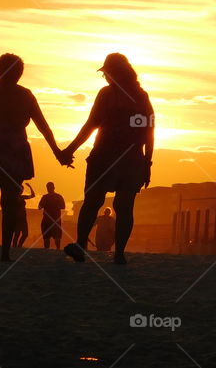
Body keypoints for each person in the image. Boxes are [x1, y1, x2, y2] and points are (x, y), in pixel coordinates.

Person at [0, 53, 69, 262]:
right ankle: (4, 253)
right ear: (19, 73)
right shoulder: (25, 95)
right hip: (13, 154)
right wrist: (57, 152)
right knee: (9, 205)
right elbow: (43, 127)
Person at [61, 53, 153, 265]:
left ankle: (81, 245)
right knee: (125, 207)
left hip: (104, 156)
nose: (105, 78)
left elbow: (91, 124)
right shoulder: (142, 97)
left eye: (106, 74)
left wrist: (69, 150)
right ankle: (119, 253)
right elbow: (149, 132)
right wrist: (147, 163)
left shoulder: (107, 94)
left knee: (92, 202)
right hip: (132, 159)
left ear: (112, 73)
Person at [38, 182, 66, 249]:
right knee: (47, 238)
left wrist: (55, 205)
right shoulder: (45, 197)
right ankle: (49, 250)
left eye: (50, 187)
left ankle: (57, 249)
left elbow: (63, 206)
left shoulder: (58, 197)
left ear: (53, 188)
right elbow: (39, 207)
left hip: (55, 220)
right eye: (48, 187)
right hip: (47, 220)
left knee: (57, 237)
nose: (49, 189)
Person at [11, 182, 36, 249]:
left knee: (24, 234)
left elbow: (33, 195)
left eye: (22, 189)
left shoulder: (21, 197)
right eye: (20, 189)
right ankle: (15, 246)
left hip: (22, 217)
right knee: (17, 233)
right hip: (18, 218)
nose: (21, 190)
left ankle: (18, 246)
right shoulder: (15, 197)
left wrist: (30, 187)